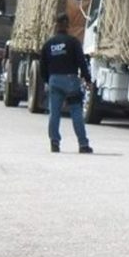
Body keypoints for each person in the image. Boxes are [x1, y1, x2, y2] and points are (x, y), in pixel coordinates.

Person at [39, 13, 93, 154]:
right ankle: (83, 144)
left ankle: (54, 143)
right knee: (76, 112)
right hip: (71, 81)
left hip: (54, 81)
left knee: (54, 113)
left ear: (56, 25)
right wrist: (87, 79)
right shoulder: (73, 42)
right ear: (68, 25)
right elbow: (82, 62)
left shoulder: (48, 44)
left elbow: (42, 67)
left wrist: (47, 80)